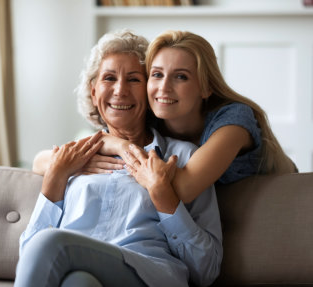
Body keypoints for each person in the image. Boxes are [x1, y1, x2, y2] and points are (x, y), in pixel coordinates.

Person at [15, 30, 222, 287]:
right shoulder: (70, 160)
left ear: (148, 91)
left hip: (147, 273)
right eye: (109, 78)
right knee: (78, 283)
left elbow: (207, 269)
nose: (120, 90)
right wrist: (55, 178)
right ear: (93, 92)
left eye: (134, 80)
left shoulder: (185, 158)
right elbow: (29, 257)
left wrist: (164, 197)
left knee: (48, 243)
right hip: (75, 269)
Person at [76, 29, 298, 204]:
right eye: (157, 74)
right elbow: (43, 160)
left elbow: (182, 190)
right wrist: (101, 148)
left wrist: (118, 148)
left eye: (181, 77)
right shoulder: (156, 117)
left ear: (205, 87)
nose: (164, 88)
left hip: (278, 200)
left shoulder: (233, 121)